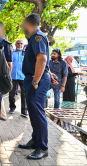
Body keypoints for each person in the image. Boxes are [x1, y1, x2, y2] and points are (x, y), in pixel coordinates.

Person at [19, 13, 56, 159]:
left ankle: (42, 147)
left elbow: (42, 59)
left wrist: (36, 80)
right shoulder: (34, 38)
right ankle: (35, 140)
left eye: (24, 24)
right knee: (33, 112)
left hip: (35, 81)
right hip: (34, 79)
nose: (23, 27)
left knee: (38, 113)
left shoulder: (37, 37)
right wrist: (48, 73)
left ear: (29, 24)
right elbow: (41, 60)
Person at [9, 39, 28, 116]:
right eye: (18, 43)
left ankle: (24, 111)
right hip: (12, 76)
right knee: (11, 93)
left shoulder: (26, 53)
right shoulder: (11, 52)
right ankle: (12, 107)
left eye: (21, 44)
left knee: (24, 94)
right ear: (15, 44)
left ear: (23, 45)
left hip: (23, 76)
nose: (20, 45)